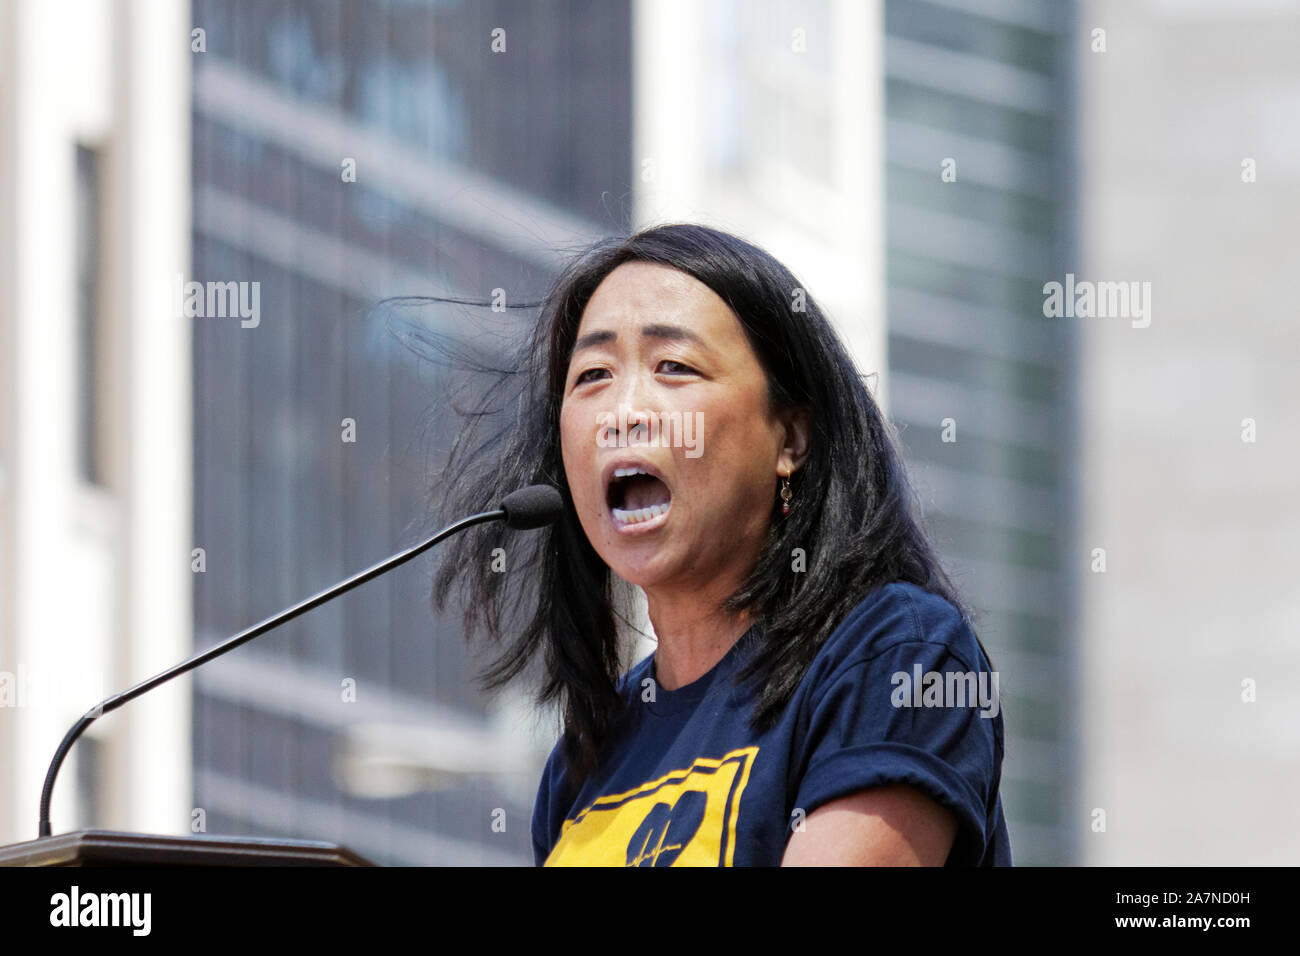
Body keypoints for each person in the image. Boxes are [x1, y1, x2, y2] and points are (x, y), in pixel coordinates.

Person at [424, 222, 1012, 866]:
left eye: (673, 367)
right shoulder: (585, 759)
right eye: (592, 375)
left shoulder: (900, 655)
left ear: (790, 438)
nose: (624, 412)